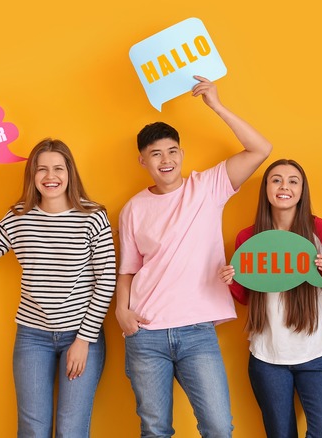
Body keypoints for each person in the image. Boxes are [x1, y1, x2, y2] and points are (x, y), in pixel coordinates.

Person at [115, 75, 272, 438]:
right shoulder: (133, 209)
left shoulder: (207, 187)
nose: (165, 160)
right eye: (155, 154)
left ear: (182, 154)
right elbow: (127, 270)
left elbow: (260, 149)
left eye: (171, 151)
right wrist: (122, 310)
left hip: (197, 332)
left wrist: (216, 105)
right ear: (143, 161)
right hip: (145, 332)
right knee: (155, 430)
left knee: (218, 427)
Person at [0, 138, 117, 437]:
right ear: (32, 175)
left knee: (71, 430)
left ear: (70, 172)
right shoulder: (18, 217)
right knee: (33, 429)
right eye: (41, 169)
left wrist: (84, 340)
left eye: (58, 168)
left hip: (82, 336)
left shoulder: (93, 217)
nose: (51, 176)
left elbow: (106, 279)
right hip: (33, 337)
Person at [218, 159, 322, 438]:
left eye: (292, 181)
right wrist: (231, 281)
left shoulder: (321, 230)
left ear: (302, 190)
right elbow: (245, 299)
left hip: (315, 351)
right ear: (266, 189)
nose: (284, 186)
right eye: (276, 180)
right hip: (267, 353)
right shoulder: (247, 237)